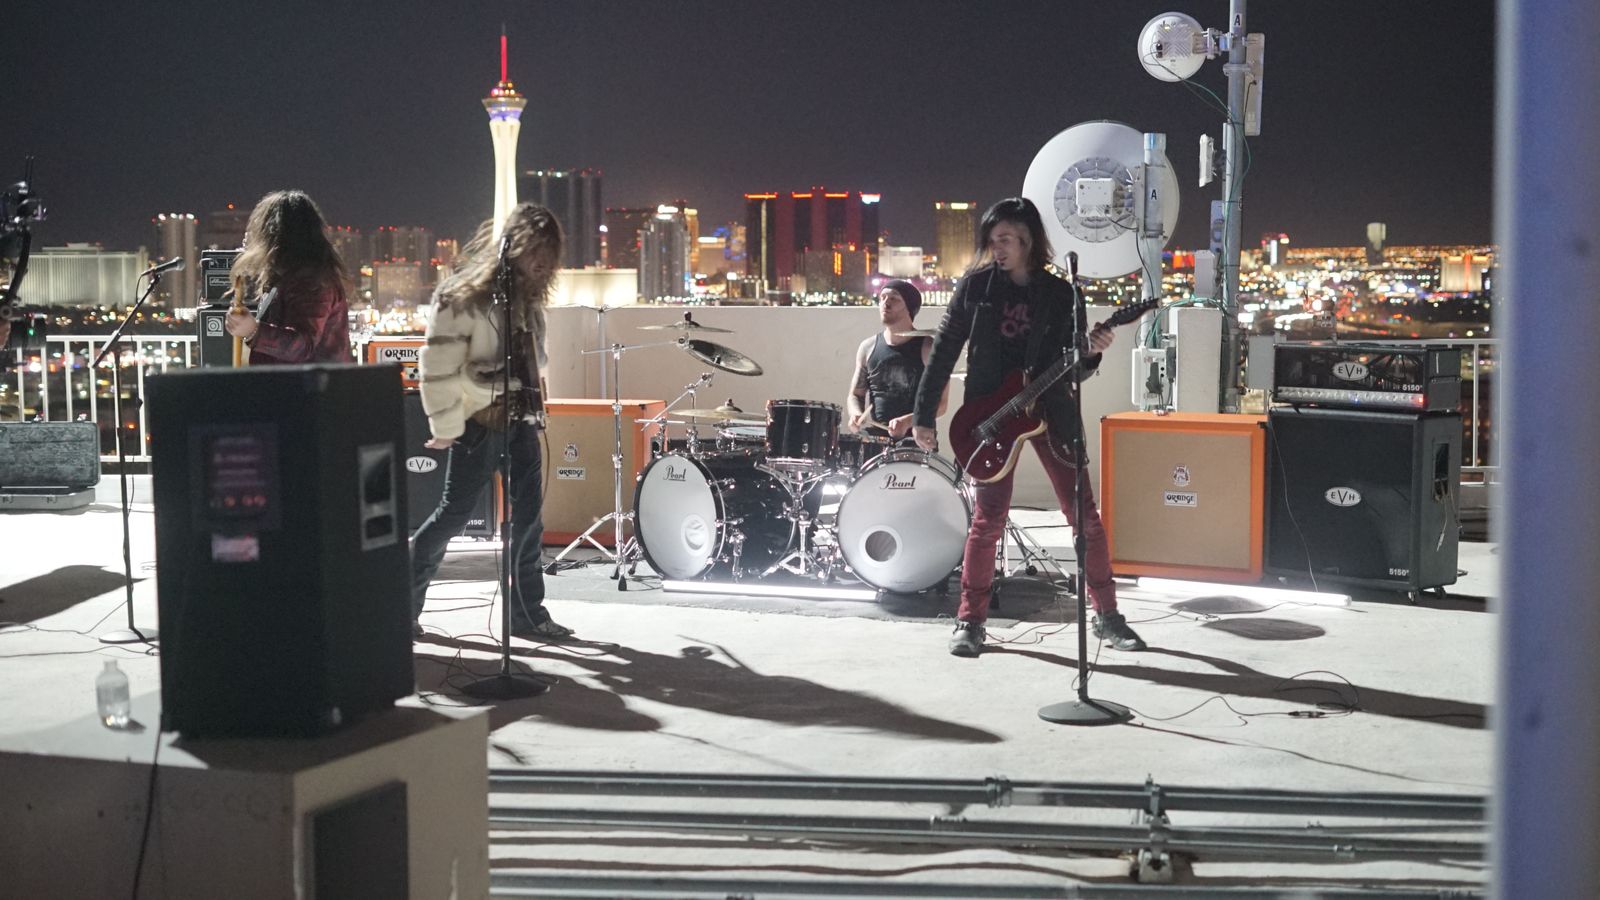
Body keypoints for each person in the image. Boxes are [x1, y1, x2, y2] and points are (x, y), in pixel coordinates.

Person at [912, 197, 1146, 657]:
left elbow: (1075, 371)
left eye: (1005, 240)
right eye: (992, 240)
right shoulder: (976, 288)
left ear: (1027, 241)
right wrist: (923, 416)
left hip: (1050, 408)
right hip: (990, 415)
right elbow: (943, 352)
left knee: (1084, 517)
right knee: (988, 520)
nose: (996, 248)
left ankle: (1108, 616)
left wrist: (1091, 353)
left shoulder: (1061, 294)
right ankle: (970, 621)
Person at [409, 203, 573, 641]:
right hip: (479, 421)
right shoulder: (464, 295)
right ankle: (402, 607)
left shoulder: (529, 298)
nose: (543, 262)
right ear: (514, 246)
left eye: (549, 253)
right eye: (536, 250)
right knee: (453, 516)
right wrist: (446, 425)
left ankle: (527, 615)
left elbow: (536, 360)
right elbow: (437, 365)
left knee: (529, 521)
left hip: (521, 420)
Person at [223, 190, 353, 364]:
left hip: (310, 381)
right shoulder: (294, 276)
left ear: (274, 234)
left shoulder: (310, 279)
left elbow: (304, 345)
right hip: (304, 380)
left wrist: (254, 331)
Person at [845, 279, 947, 438]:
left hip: (916, 438)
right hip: (877, 439)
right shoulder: (867, 347)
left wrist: (907, 421)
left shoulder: (928, 348)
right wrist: (855, 413)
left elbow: (940, 404)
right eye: (882, 298)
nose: (885, 303)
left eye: (894, 298)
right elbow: (856, 395)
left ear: (910, 308)